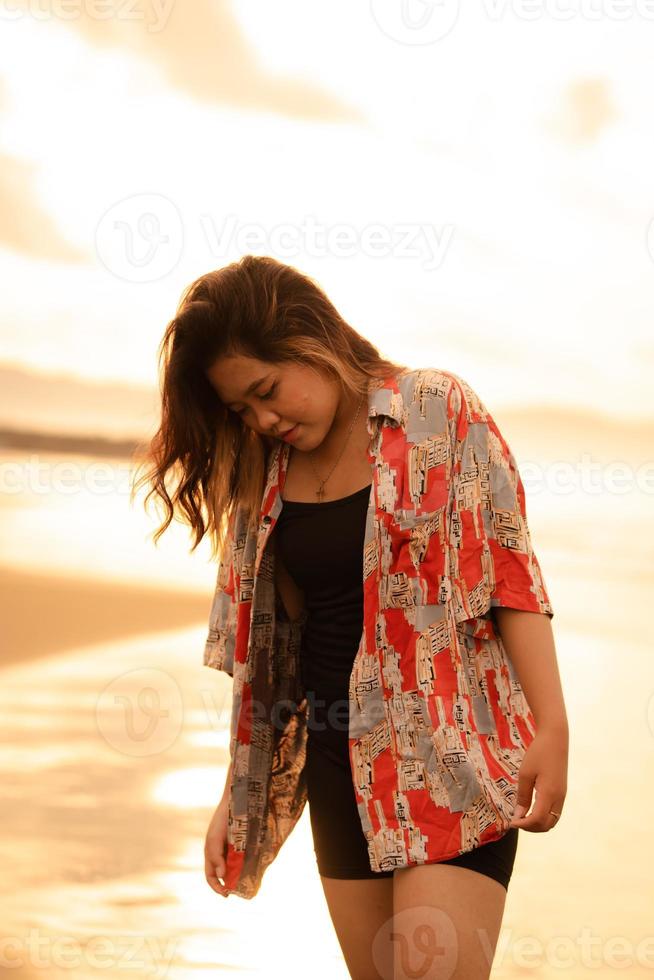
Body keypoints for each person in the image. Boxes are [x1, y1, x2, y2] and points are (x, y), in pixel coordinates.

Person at [131, 254, 569, 980]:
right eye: (242, 409)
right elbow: (276, 661)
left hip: (451, 757)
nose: (264, 418)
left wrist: (552, 725)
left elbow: (509, 575)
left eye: (266, 391)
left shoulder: (434, 410)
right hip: (343, 773)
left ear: (310, 337)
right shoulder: (263, 474)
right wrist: (237, 794)